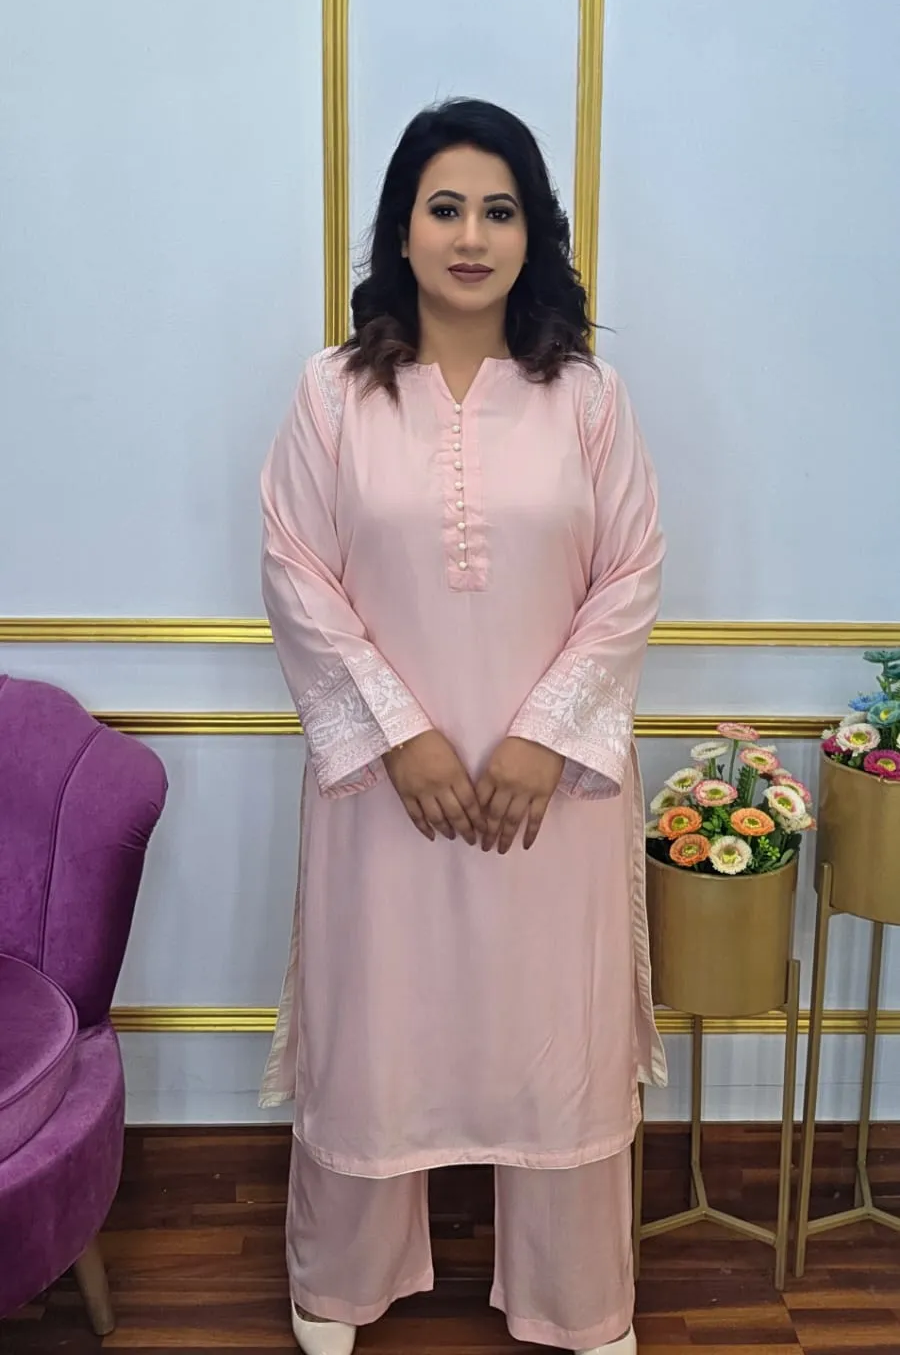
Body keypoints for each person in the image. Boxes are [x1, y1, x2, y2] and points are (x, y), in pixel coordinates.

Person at [259, 98, 667, 1355]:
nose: (472, 236)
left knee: (557, 1032)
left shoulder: (587, 398)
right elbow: (295, 571)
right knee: (378, 1027)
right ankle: (343, 1279)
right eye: (446, 209)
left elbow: (631, 574)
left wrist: (544, 738)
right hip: (387, 789)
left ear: (533, 234)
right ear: (402, 229)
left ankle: (576, 1295)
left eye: (500, 210)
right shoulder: (333, 394)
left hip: (554, 793)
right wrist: (402, 736)